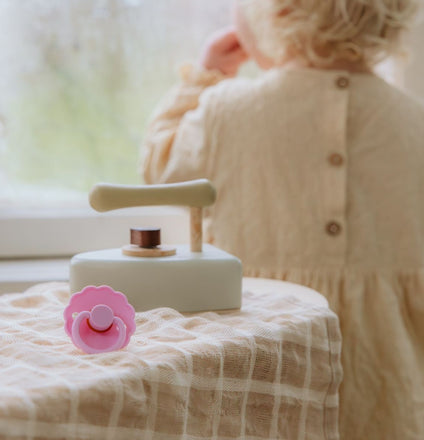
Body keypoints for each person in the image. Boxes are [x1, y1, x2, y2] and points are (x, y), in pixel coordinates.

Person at [139, 0, 424, 438]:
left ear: (279, 12)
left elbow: (159, 166)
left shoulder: (225, 113)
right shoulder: (415, 122)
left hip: (260, 379)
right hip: (387, 392)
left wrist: (205, 77)